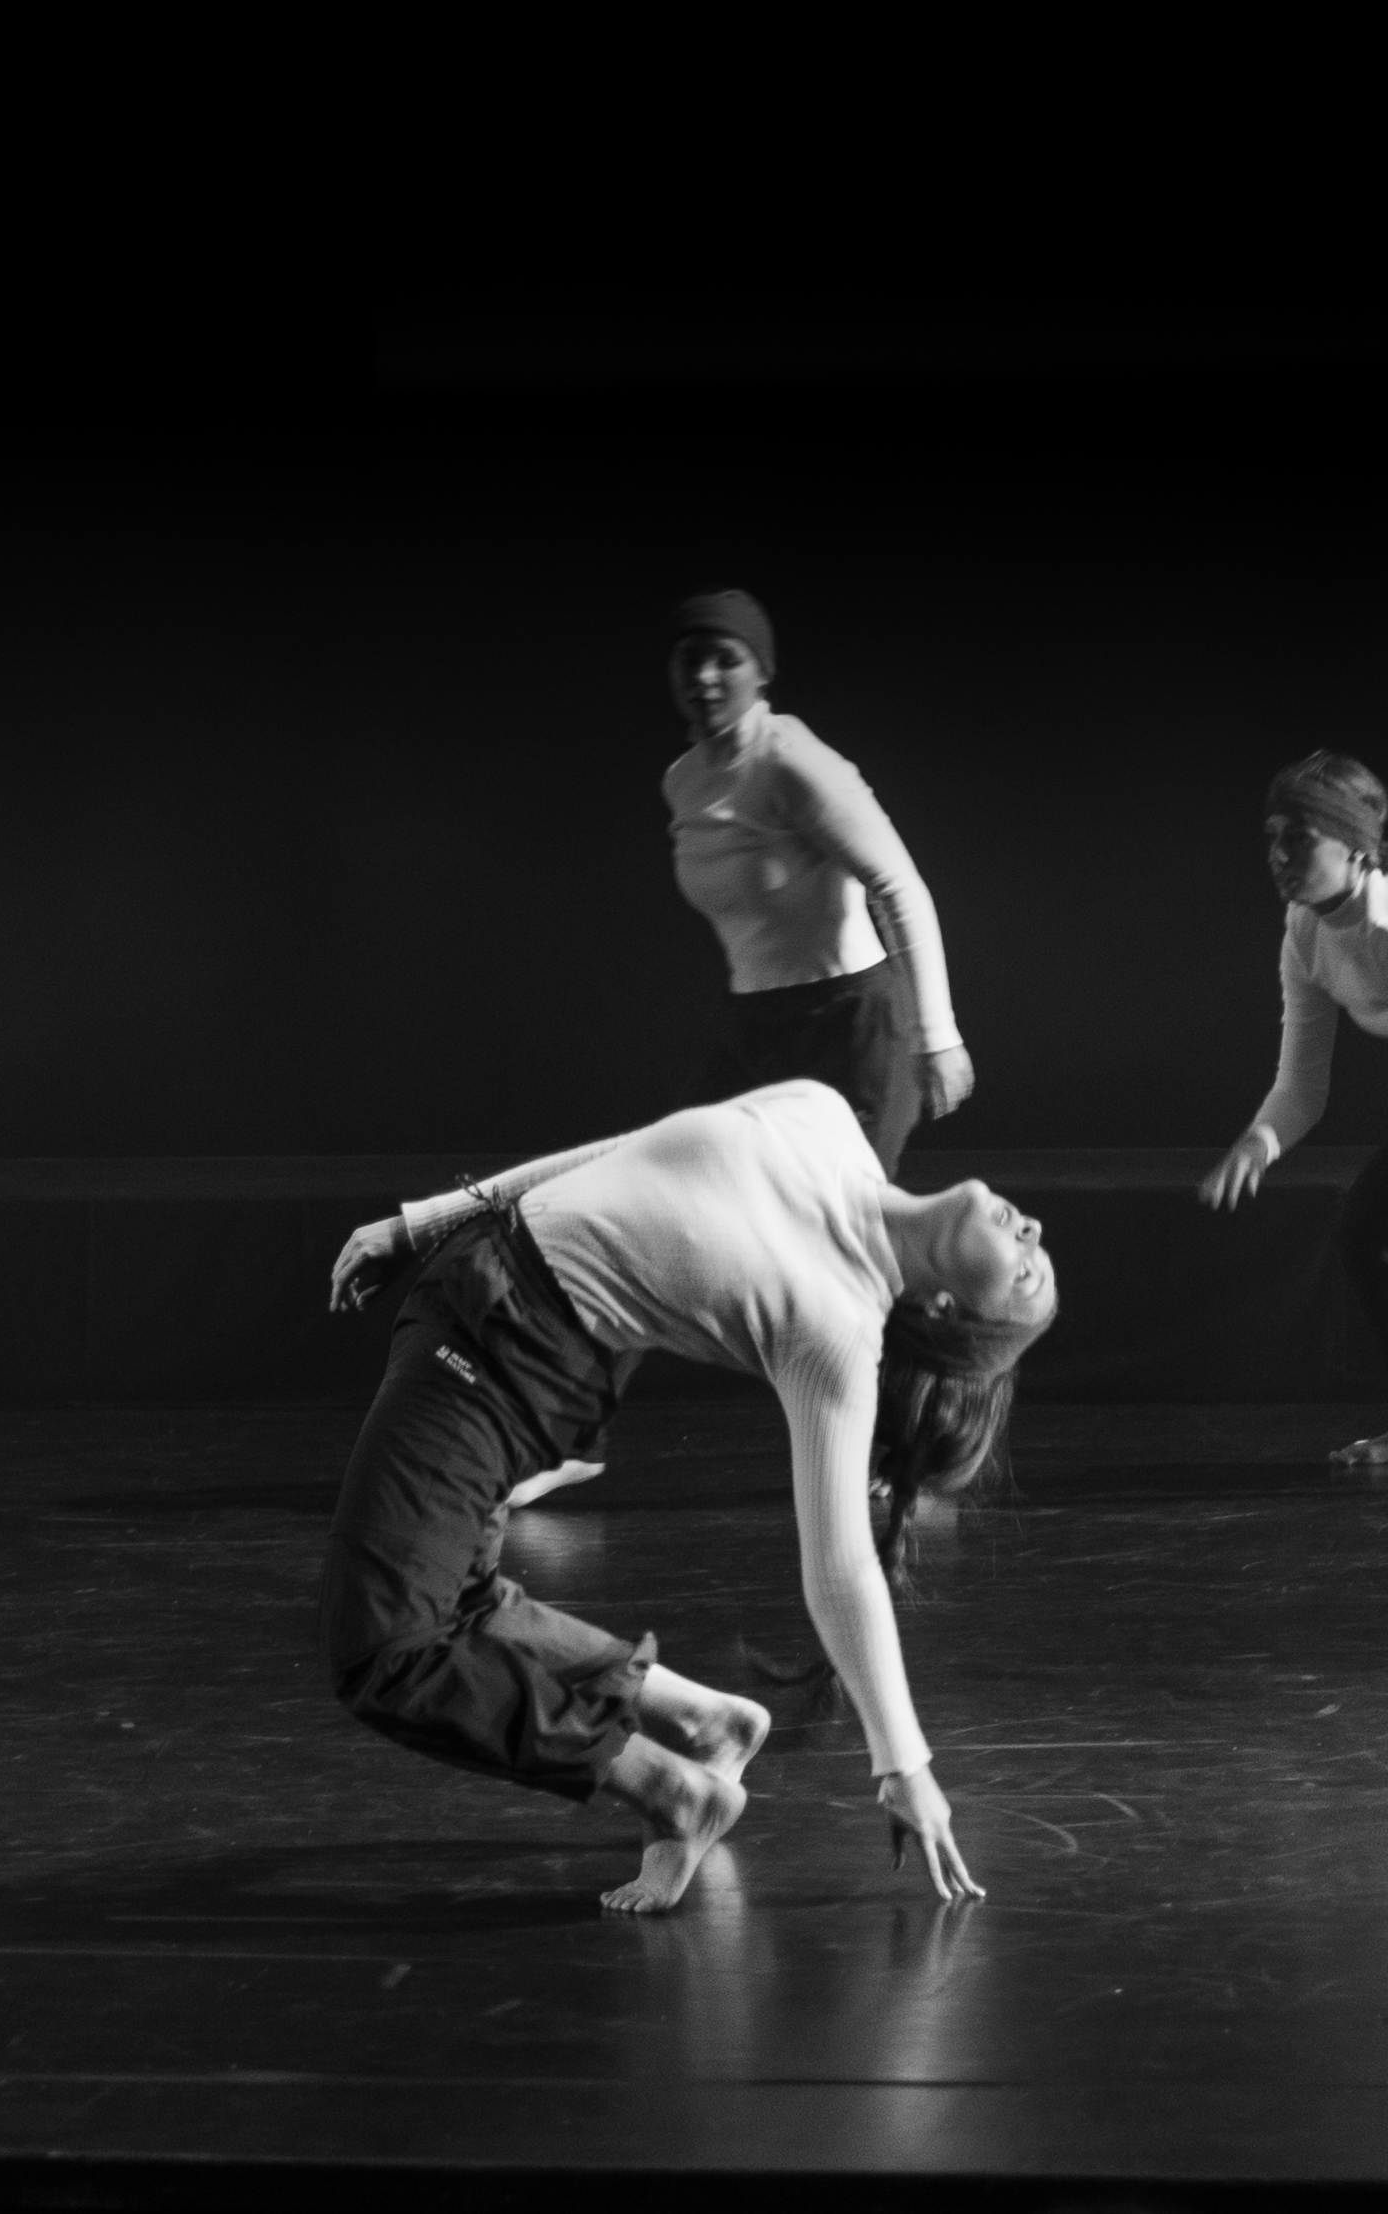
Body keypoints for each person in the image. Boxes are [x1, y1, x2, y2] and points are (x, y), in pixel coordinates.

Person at [324, 1079, 1056, 1915]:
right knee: (456, 1598)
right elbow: (626, 1153)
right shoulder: (821, 1114)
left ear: (946, 1307)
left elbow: (843, 1564)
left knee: (383, 1649)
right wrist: (426, 1221)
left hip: (505, 1355)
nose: (1032, 1231)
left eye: (1025, 1274)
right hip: (475, 1282)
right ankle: (706, 1721)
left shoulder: (835, 1328)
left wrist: (904, 1763)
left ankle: (669, 1790)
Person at [664, 589, 975, 1181]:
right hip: (752, 1024)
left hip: (850, 1024)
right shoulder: (683, 781)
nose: (704, 677)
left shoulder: (792, 763)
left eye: (726, 659)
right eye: (689, 660)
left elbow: (899, 888)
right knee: (690, 1184)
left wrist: (937, 1036)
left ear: (762, 671)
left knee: (844, 1214)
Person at [1197, 750, 1388, 1461]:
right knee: (1364, 1231)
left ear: (1356, 845)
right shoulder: (1306, 930)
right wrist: (1258, 1141)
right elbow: (1303, 1082)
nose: (1278, 856)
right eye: (1272, 838)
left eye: (1299, 838)